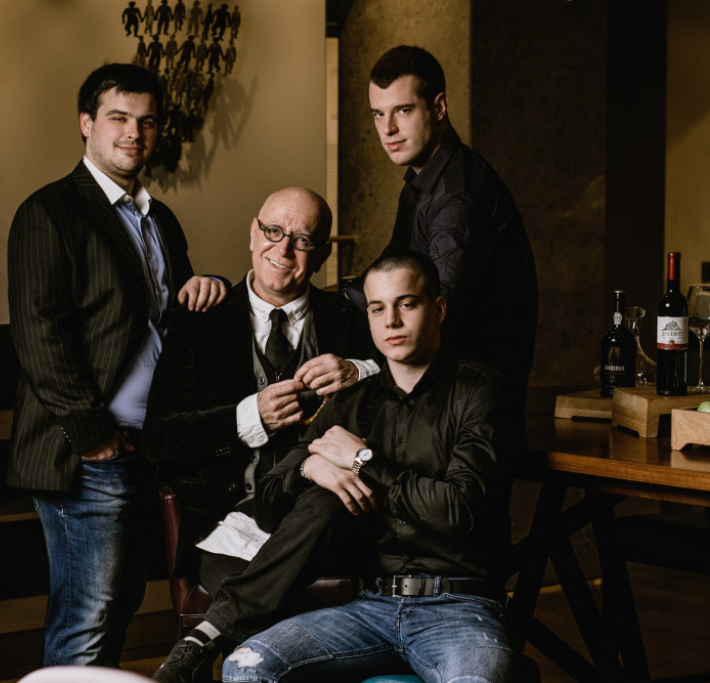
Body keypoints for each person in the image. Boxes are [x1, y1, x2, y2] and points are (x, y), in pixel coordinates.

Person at [6, 62, 226, 667]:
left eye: (147, 122)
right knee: (87, 619)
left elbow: (169, 323)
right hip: (89, 454)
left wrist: (205, 286)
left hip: (148, 448)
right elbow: (40, 336)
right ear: (87, 124)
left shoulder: (160, 220)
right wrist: (93, 436)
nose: (134, 133)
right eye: (119, 118)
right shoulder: (49, 212)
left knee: (121, 608)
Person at [223, 251, 522, 683]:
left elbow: (460, 511)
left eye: (407, 304)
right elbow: (268, 506)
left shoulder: (482, 391)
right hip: (370, 607)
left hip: (462, 608)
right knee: (245, 667)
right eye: (378, 309)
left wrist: (363, 462)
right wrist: (309, 468)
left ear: (438, 309)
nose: (391, 322)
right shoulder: (349, 405)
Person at [143, 187, 378, 683]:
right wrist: (246, 417)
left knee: (275, 592)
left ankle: (202, 641)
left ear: (322, 254)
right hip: (230, 520)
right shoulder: (200, 318)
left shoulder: (351, 319)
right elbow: (160, 438)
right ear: (253, 234)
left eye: (302, 239)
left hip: (320, 518)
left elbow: (413, 375)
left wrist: (359, 369)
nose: (283, 248)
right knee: (272, 607)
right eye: (273, 231)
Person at [357, 45, 538, 395]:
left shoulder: (459, 195)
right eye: (378, 114)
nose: (388, 129)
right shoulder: (421, 183)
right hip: (440, 385)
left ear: (439, 107)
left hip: (469, 400)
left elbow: (431, 317)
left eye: (403, 110)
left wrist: (359, 367)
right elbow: (385, 275)